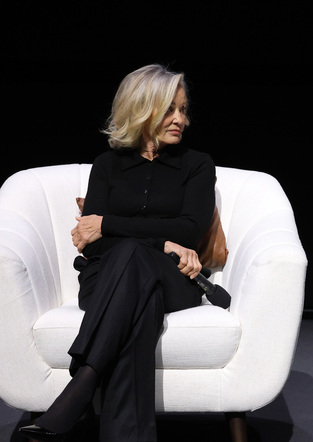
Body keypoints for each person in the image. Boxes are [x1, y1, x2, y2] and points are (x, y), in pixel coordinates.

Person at [19, 64, 216, 441]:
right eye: (170, 109)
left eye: (184, 109)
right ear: (142, 109)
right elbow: (91, 242)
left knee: (131, 255)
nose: (181, 119)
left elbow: (189, 229)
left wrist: (108, 223)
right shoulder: (107, 165)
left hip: (174, 279)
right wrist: (161, 242)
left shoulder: (197, 165)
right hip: (105, 280)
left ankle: (81, 386)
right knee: (135, 279)